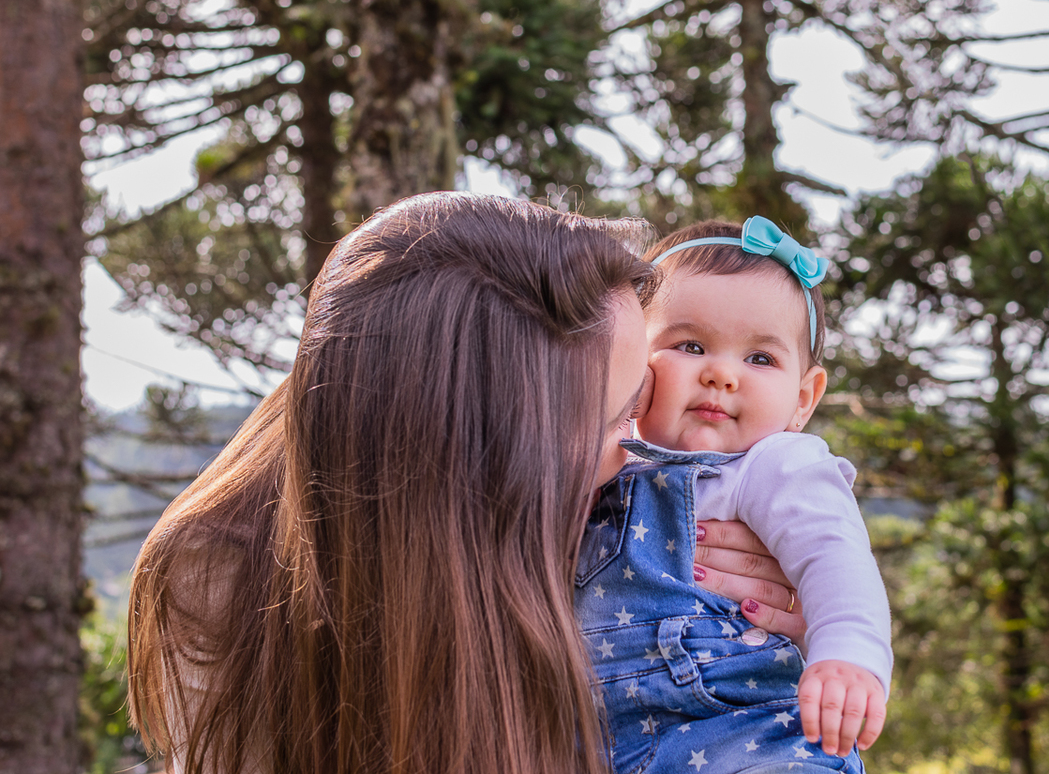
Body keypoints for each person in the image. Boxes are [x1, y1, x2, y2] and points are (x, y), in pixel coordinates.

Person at [126, 194, 805, 774]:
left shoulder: (618, 535)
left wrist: (769, 658)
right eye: (614, 422)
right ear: (485, 464)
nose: (641, 459)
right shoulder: (222, 585)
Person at [574, 217, 892, 774]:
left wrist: (846, 655)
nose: (722, 374)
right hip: (592, 741)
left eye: (760, 358)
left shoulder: (773, 466)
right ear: (633, 363)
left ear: (803, 398)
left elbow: (834, 557)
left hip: (744, 730)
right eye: (691, 345)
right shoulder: (601, 459)